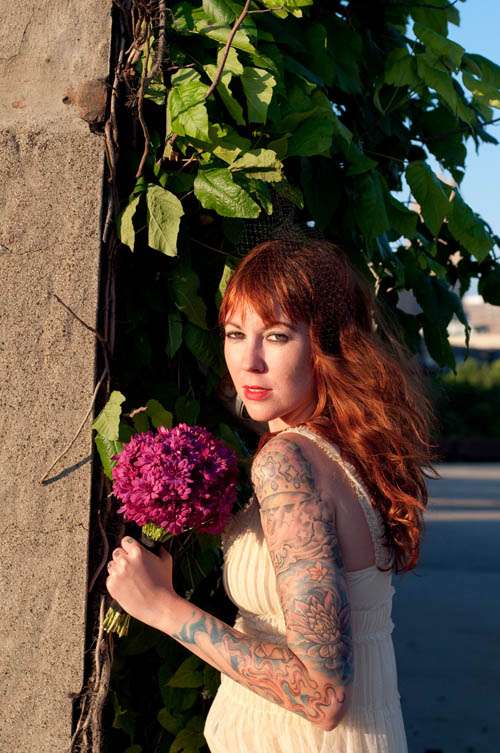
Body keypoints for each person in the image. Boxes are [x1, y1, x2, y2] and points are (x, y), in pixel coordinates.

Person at [106, 238, 439, 753]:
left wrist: (163, 608)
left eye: (278, 336)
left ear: (328, 344)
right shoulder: (348, 449)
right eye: (235, 334)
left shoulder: (289, 461)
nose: (249, 361)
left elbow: (323, 695)